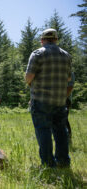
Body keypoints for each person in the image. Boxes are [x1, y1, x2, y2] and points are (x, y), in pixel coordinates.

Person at [25, 28, 72, 168]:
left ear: (42, 40)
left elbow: (29, 76)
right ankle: (63, 162)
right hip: (60, 100)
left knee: (43, 130)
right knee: (61, 131)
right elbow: (69, 78)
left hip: (41, 100)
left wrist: (30, 84)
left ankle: (48, 163)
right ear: (56, 39)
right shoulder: (66, 55)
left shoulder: (38, 54)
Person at [66, 72, 75, 143]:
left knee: (64, 120)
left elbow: (70, 87)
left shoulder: (70, 72)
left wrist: (63, 98)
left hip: (66, 99)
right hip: (55, 99)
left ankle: (68, 137)